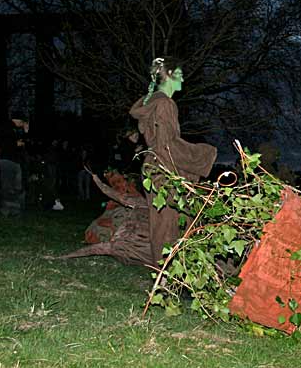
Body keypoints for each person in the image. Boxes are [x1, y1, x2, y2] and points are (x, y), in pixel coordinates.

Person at [65, 57, 217, 266]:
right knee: (170, 222)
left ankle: (165, 269)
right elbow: (167, 145)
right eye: (180, 75)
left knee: (161, 222)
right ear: (170, 75)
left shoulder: (153, 103)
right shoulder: (165, 103)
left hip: (153, 167)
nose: (183, 80)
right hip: (164, 168)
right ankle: (168, 270)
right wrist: (204, 154)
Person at [0, 112, 29, 217]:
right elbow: (1, 142)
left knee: (17, 187)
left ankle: (15, 211)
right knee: (7, 186)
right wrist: (15, 144)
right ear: (19, 120)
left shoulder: (15, 130)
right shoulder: (6, 127)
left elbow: (24, 142)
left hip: (16, 161)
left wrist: (26, 132)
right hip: (7, 160)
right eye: (23, 123)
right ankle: (6, 211)